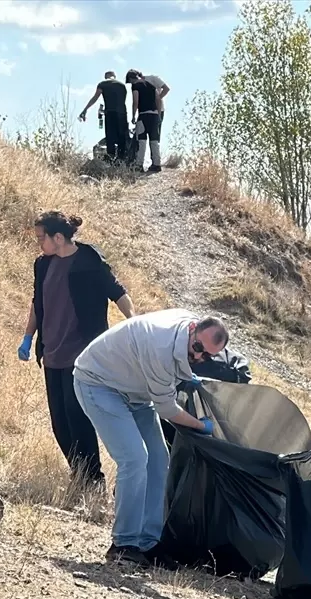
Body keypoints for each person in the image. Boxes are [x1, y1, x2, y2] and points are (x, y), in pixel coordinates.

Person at [73, 310, 229, 565]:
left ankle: (148, 544)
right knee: (134, 458)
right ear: (192, 328)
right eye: (198, 347)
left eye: (207, 355)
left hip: (137, 391)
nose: (199, 356)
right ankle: (123, 544)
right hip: (99, 383)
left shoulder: (186, 332)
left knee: (158, 460)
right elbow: (167, 410)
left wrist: (190, 378)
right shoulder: (161, 345)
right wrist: (201, 426)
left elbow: (172, 375)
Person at [18, 212, 135, 489]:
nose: (39, 244)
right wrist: (28, 336)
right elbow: (38, 302)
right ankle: (78, 473)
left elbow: (118, 292)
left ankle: (94, 479)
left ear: (58, 238)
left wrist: (134, 324)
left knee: (77, 416)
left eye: (40, 238)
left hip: (83, 354)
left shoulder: (88, 261)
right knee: (60, 422)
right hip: (52, 353)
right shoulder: (43, 265)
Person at [78, 72, 129, 163]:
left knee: (110, 136)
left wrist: (85, 110)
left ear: (105, 77)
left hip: (110, 112)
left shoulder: (103, 84)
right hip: (122, 113)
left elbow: (95, 97)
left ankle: (111, 158)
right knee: (122, 136)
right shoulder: (122, 85)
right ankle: (122, 158)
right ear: (114, 76)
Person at [126, 69, 164, 173]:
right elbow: (158, 100)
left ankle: (139, 165)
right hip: (154, 115)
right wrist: (159, 115)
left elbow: (135, 101)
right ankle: (157, 164)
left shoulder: (135, 86)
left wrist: (133, 116)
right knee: (154, 140)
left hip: (143, 115)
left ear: (131, 78)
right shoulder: (151, 85)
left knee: (141, 140)